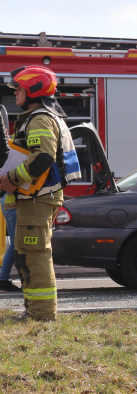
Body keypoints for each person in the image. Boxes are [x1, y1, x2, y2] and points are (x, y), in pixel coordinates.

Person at [0, 66, 77, 320]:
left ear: (33, 90)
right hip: (33, 199)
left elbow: (42, 158)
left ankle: (42, 314)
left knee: (35, 255)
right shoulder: (38, 117)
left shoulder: (40, 119)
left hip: (38, 199)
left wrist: (11, 178)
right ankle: (34, 311)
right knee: (26, 256)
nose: (16, 94)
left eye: (19, 89)